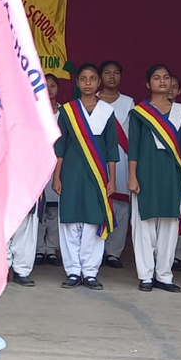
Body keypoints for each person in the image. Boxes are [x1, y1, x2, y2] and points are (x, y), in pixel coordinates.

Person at [53, 63, 118, 290]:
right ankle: (72, 271)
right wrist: (57, 176)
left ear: (98, 83)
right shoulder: (68, 111)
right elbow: (60, 147)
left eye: (92, 79)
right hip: (71, 173)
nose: (88, 83)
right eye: (83, 79)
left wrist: (112, 179)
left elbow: (112, 149)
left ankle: (90, 272)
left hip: (98, 177)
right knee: (70, 221)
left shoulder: (107, 112)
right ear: (78, 83)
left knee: (93, 222)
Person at [128, 65, 181, 293]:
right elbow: (133, 147)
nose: (162, 81)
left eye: (166, 77)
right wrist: (132, 176)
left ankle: (164, 275)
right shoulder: (139, 112)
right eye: (156, 77)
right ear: (148, 84)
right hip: (145, 173)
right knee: (143, 227)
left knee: (169, 225)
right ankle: (145, 276)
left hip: (172, 175)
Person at [98, 60, 134, 269]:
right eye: (107, 73)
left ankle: (113, 252)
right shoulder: (91, 100)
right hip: (97, 157)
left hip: (122, 158)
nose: (112, 76)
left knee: (120, 206)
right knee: (99, 203)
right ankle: (97, 250)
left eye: (116, 73)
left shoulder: (129, 102)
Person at [36, 73, 62, 266]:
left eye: (53, 85)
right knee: (39, 210)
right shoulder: (33, 111)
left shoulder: (66, 112)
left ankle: (51, 249)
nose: (49, 89)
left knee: (55, 210)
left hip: (58, 165)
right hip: (38, 164)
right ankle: (38, 249)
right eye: (45, 85)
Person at [168, 74, 181, 272]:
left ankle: (176, 255)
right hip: (163, 169)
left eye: (175, 86)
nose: (170, 89)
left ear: (179, 91)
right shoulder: (150, 112)